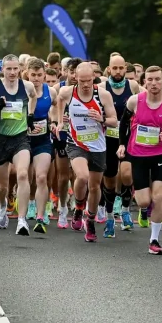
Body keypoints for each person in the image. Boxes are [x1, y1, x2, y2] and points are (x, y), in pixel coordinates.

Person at [118, 65, 162, 255]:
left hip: (160, 155)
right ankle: (138, 196)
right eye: (150, 79)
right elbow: (124, 124)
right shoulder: (134, 101)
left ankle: (154, 240)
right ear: (144, 81)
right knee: (144, 202)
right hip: (137, 154)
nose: (153, 83)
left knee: (159, 197)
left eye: (157, 79)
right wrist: (122, 144)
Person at [55, 62, 119, 243]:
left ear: (94, 78)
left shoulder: (103, 95)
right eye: (81, 80)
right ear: (75, 77)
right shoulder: (69, 92)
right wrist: (60, 121)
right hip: (76, 143)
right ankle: (78, 207)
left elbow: (114, 121)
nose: (85, 84)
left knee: (94, 186)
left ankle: (89, 220)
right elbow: (59, 99)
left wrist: (102, 119)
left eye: (88, 81)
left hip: (98, 146)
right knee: (82, 177)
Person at [0, 54, 39, 236]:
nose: (12, 72)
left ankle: (22, 220)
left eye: (15, 68)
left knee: (23, 174)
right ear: (2, 70)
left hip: (20, 137)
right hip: (0, 139)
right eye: (8, 69)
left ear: (20, 69)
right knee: (1, 185)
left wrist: (30, 115)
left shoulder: (27, 86)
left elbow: (34, 97)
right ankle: (2, 207)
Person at [103, 53, 139, 234]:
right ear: (109, 69)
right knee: (109, 179)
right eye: (114, 68)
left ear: (126, 68)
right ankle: (109, 217)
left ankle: (125, 210)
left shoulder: (133, 86)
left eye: (121, 68)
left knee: (126, 174)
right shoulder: (102, 86)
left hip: (127, 137)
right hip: (108, 138)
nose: (117, 72)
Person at [25, 58, 57, 233]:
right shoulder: (21, 91)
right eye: (33, 75)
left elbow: (57, 107)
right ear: (27, 74)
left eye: (39, 75)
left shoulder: (50, 91)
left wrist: (55, 122)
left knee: (41, 177)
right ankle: (29, 202)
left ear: (44, 75)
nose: (36, 79)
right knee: (26, 177)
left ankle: (40, 214)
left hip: (43, 140)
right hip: (23, 140)